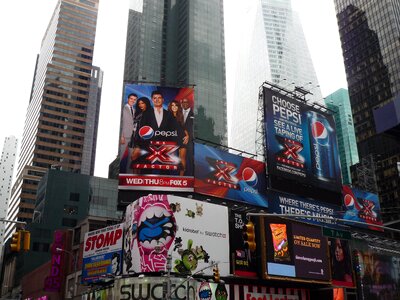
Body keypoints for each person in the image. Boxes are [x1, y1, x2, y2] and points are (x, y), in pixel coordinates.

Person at [168, 100, 189, 175]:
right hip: (172, 137)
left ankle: (181, 176)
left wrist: (187, 136)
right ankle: (170, 175)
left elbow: (183, 127)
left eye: (176, 105)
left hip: (182, 137)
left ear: (178, 107)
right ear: (170, 107)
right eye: (172, 105)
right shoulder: (167, 115)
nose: (174, 107)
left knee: (182, 157)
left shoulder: (180, 115)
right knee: (171, 157)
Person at [120, 93, 137, 173]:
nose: (132, 100)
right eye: (131, 99)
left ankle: (128, 175)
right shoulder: (123, 109)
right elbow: (120, 123)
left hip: (132, 138)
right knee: (120, 155)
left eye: (134, 99)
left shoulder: (134, 111)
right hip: (124, 137)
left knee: (131, 158)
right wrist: (121, 136)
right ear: (128, 99)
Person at [180, 98, 194, 175]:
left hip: (190, 141)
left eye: (186, 102)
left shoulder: (194, 114)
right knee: (179, 158)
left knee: (189, 158)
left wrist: (190, 137)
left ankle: (190, 175)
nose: (185, 103)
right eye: (183, 102)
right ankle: (180, 175)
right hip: (179, 139)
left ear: (189, 103)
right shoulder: (178, 113)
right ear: (181, 103)